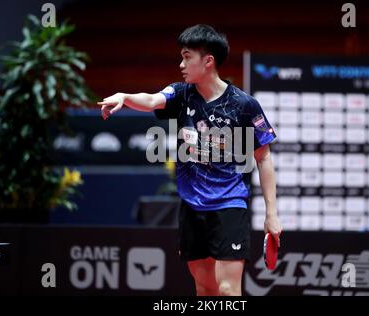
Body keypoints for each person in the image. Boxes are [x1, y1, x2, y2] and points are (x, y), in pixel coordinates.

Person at [98, 24, 282, 296]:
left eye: (187, 57)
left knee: (228, 290)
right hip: (192, 207)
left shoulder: (244, 105)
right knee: (204, 289)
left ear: (208, 61)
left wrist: (272, 213)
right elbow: (151, 100)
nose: (181, 63)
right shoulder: (181, 94)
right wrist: (124, 97)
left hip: (229, 205)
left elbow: (263, 159)